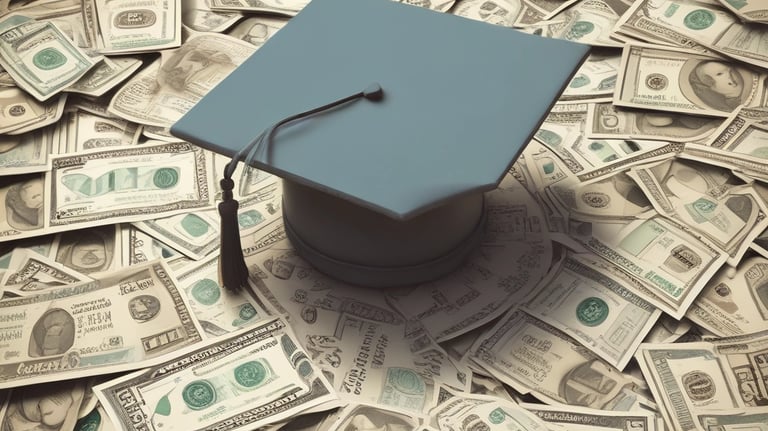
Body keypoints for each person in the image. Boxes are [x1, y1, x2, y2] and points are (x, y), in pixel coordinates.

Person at [156, 39, 237, 95]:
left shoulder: (182, 65)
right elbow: (216, 65)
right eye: (174, 80)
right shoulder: (191, 77)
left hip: (207, 49)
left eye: (170, 77)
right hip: (218, 56)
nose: (173, 77)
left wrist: (209, 57)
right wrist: (212, 60)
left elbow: (192, 51)